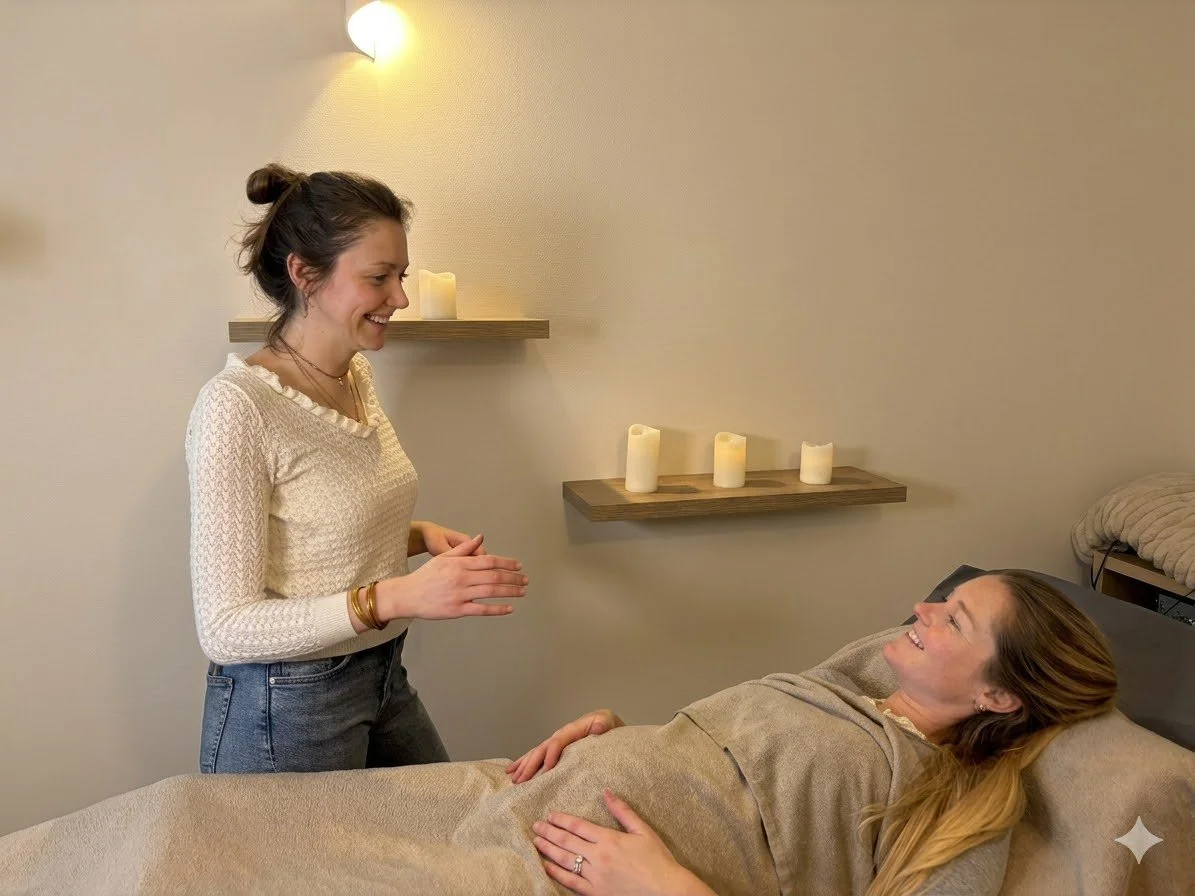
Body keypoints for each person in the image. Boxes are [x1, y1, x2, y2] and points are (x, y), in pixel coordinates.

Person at [184, 163, 529, 774]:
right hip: (283, 706)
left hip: (381, 674)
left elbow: (314, 537)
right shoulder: (236, 408)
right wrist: (399, 596)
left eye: (400, 275)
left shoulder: (355, 379)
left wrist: (418, 537)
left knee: (450, 834)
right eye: (379, 277)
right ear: (305, 274)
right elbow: (226, 629)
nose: (399, 297)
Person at [514, 571, 1118, 896]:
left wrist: (668, 890)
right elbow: (736, 768)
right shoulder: (843, 690)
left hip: (564, 872)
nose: (921, 609)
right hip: (535, 796)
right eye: (944, 601)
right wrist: (626, 737)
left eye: (953, 620)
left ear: (999, 696)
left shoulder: (958, 806)